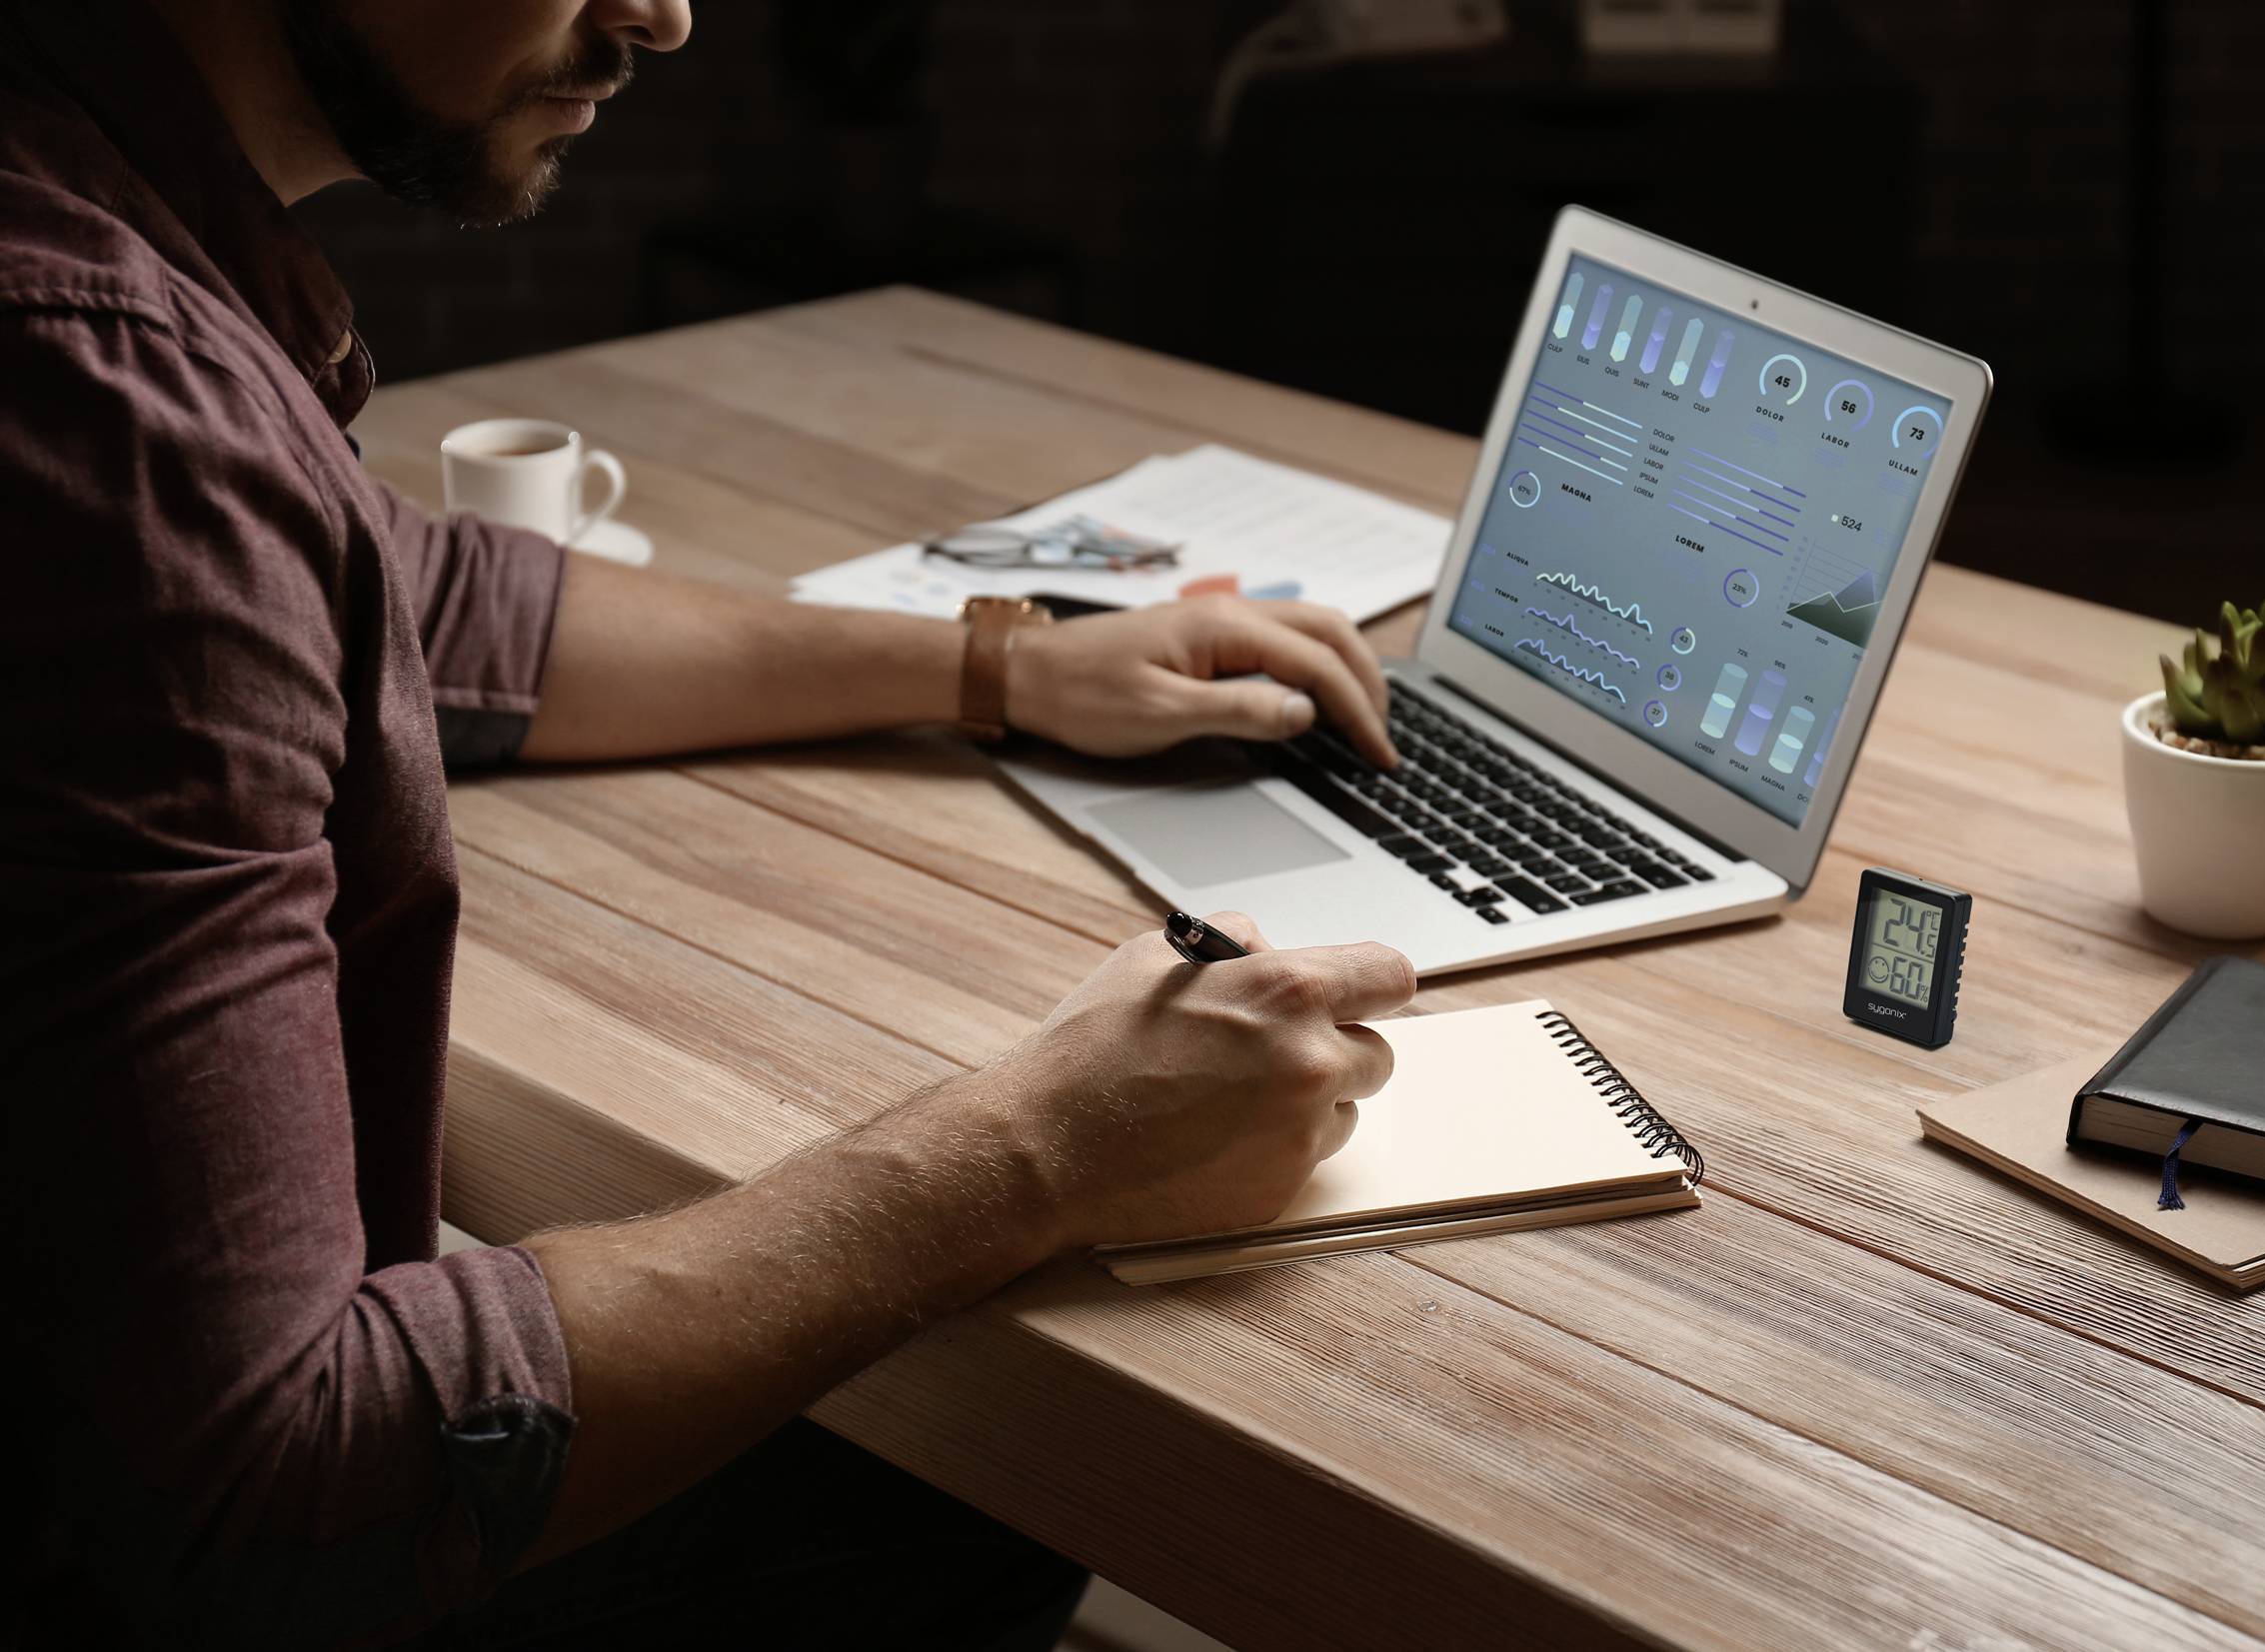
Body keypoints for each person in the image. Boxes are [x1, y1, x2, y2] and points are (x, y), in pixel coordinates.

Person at [0, 0, 1416, 1644]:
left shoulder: (79, 203)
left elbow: (419, 593)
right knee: (964, 1458)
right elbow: (272, 1474)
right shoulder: (98, 395)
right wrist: (1047, 1147)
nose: (662, 14)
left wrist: (1006, 663)